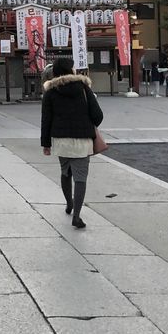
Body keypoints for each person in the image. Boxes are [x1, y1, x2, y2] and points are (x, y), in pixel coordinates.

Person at [41, 58, 103, 229]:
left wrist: (46, 143)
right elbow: (98, 114)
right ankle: (77, 215)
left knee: (66, 172)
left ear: (55, 73)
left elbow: (46, 119)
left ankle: (69, 203)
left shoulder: (51, 91)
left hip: (61, 140)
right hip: (83, 139)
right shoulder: (84, 88)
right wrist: (87, 123)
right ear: (71, 70)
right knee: (81, 178)